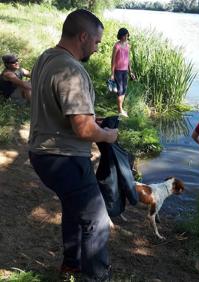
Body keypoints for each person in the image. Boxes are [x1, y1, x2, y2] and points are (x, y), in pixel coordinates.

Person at [28, 9, 118, 281]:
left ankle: (72, 264)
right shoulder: (72, 70)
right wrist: (106, 134)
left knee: (73, 207)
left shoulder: (46, 58)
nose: (98, 48)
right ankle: (96, 277)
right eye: (97, 42)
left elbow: (56, 106)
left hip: (41, 153)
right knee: (97, 221)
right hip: (63, 157)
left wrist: (93, 118)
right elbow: (83, 129)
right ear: (83, 36)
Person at [111, 27, 135, 117]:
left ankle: (120, 108)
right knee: (120, 90)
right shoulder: (116, 46)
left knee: (124, 90)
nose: (126, 37)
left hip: (125, 71)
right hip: (118, 71)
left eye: (127, 36)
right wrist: (112, 74)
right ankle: (120, 110)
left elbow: (128, 59)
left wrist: (130, 71)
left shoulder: (128, 46)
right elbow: (113, 60)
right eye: (124, 35)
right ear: (120, 36)